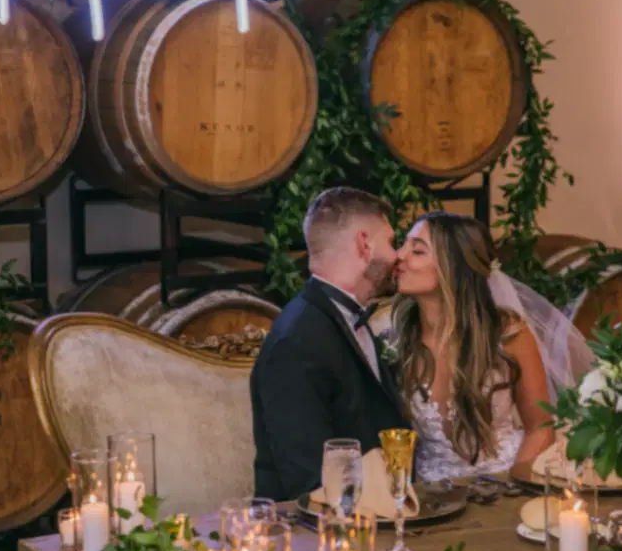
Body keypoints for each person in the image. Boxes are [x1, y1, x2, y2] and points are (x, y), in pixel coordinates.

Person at [391, 211, 594, 482]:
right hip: (432, 500)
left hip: (503, 483)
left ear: (453, 267)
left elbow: (540, 427)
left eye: (417, 250)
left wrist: (512, 484)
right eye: (404, 244)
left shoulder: (508, 334)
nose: (399, 255)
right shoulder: (396, 338)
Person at [250, 187, 409, 501]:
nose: (398, 256)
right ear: (364, 244)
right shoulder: (295, 341)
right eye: (391, 242)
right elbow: (309, 481)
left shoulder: (342, 318)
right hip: (317, 533)